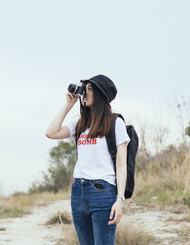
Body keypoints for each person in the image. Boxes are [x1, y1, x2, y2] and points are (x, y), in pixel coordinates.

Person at [46, 74, 130, 245]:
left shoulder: (115, 123)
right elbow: (51, 132)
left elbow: (121, 166)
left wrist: (119, 199)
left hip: (102, 192)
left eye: (90, 89)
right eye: (85, 88)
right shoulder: (80, 123)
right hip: (78, 191)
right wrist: (68, 105)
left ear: (101, 94)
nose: (85, 92)